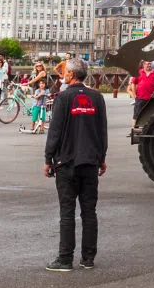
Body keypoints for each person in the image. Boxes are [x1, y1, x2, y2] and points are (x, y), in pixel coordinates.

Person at [42, 58, 108, 272]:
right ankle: (88, 258)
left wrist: (48, 159)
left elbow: (55, 131)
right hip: (89, 161)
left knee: (67, 211)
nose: (63, 75)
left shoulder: (63, 98)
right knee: (89, 211)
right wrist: (101, 157)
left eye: (65, 73)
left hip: (67, 161)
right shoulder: (97, 97)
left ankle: (65, 259)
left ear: (70, 75)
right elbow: (102, 131)